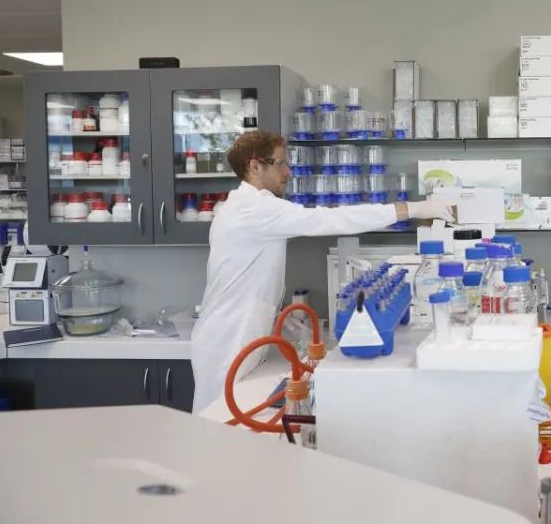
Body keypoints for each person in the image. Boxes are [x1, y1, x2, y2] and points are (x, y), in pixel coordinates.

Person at [191, 132, 454, 412]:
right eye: (280, 163)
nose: (288, 172)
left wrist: (268, 312)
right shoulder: (255, 208)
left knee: (234, 423)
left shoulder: (248, 207)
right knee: (218, 424)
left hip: (237, 333)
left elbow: (242, 274)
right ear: (255, 166)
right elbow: (330, 219)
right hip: (226, 340)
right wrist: (410, 208)